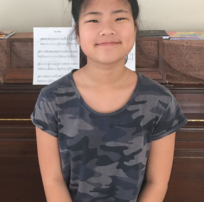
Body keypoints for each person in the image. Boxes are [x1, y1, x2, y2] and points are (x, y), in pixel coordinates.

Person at [30, 0, 188, 201]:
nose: (107, 29)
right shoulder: (51, 99)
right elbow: (53, 180)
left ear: (135, 27)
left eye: (120, 18)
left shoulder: (160, 101)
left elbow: (157, 182)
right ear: (77, 32)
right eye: (94, 19)